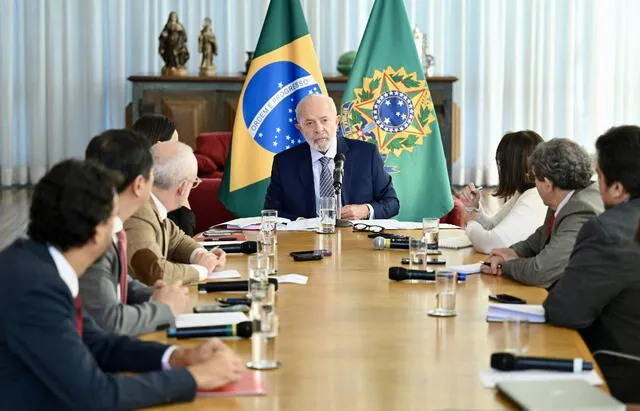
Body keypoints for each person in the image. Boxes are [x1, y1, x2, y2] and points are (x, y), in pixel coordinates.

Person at [0, 159, 243, 410]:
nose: (120, 229)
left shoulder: (40, 263)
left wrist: (178, 357)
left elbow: (98, 343)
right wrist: (195, 378)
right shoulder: (33, 288)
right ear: (96, 233)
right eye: (114, 220)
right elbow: (95, 395)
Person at [542, 126, 640, 401]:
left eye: (599, 176)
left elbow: (564, 312)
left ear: (618, 188)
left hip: (619, 376)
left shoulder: (606, 231)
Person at [82, 129, 190, 335]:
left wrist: (159, 294)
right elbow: (111, 323)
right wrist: (163, 308)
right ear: (140, 184)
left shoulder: (110, 225)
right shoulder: (92, 237)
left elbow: (120, 282)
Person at [482, 138, 604, 288]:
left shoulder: (582, 210)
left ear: (547, 184)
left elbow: (540, 272)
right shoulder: (564, 198)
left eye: (534, 177)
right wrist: (511, 252)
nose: (534, 184)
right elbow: (538, 240)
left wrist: (505, 265)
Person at [264, 94, 400, 220]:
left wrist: (365, 210)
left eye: (324, 120)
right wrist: (298, 223)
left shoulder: (367, 154)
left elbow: (392, 203)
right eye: (309, 123)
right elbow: (271, 211)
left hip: (354, 238)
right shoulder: (284, 162)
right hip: (305, 240)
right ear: (300, 129)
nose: (318, 129)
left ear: (337, 122)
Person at [124, 141, 225, 286]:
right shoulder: (139, 211)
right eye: (194, 182)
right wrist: (201, 270)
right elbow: (155, 272)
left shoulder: (153, 206)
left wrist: (203, 255)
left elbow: (177, 241)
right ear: (182, 188)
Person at [458, 130, 547, 253]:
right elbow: (492, 226)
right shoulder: (523, 193)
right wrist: (474, 206)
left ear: (511, 166)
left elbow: (491, 244)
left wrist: (471, 222)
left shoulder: (534, 198)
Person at [131, 114, 195, 235]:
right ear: (159, 146)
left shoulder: (167, 176)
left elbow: (181, 239)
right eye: (175, 143)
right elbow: (185, 231)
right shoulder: (141, 185)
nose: (179, 150)